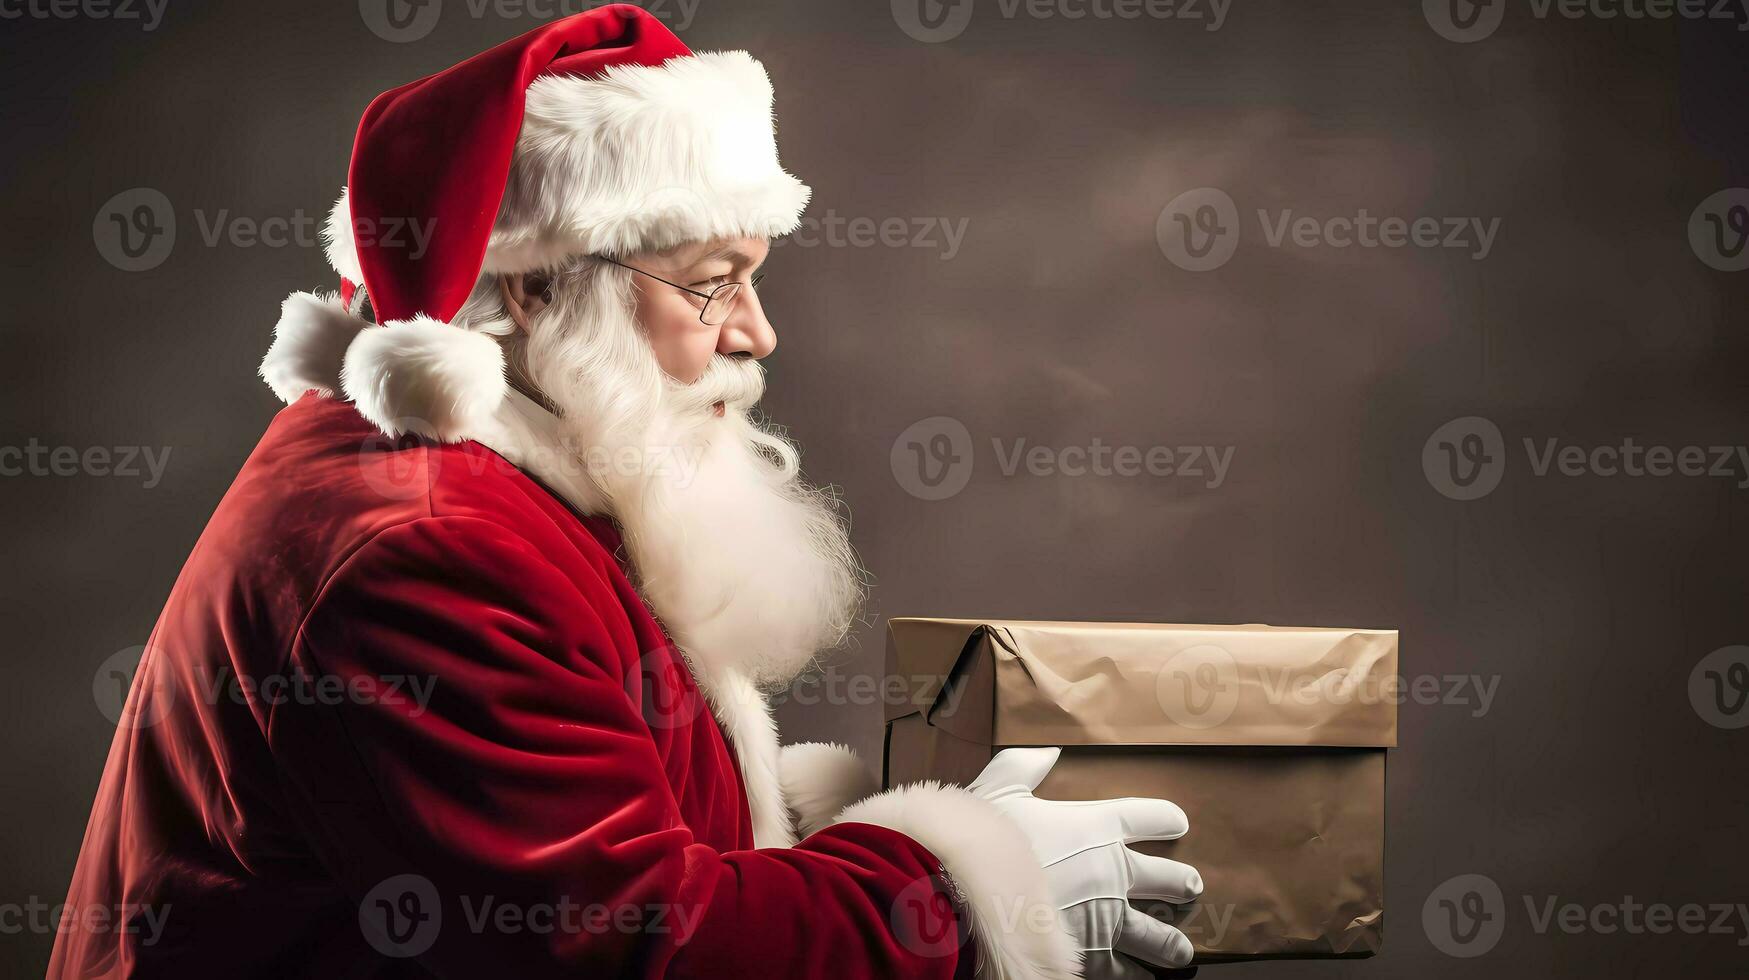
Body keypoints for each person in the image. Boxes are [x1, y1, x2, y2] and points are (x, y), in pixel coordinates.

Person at [50, 7, 1202, 977]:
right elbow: (631, 949)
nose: (757, 331)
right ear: (543, 295)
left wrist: (816, 834)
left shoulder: (511, 478)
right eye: (713, 285)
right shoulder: (423, 546)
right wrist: (965, 889)